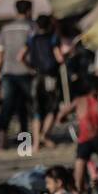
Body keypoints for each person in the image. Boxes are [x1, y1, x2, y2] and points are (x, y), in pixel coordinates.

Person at [0, 0, 35, 150]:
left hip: (8, 73)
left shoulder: (5, 29)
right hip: (26, 73)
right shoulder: (31, 28)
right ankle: (25, 145)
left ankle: (1, 143)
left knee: (7, 108)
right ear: (29, 10)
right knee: (26, 110)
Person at [65, 75, 98, 194]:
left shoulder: (78, 101)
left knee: (79, 177)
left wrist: (63, 117)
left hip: (84, 141)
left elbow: (61, 115)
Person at [25, 15, 63, 151]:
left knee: (37, 111)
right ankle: (44, 135)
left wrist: (30, 68)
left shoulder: (32, 39)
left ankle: (35, 144)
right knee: (52, 108)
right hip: (50, 77)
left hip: (36, 77)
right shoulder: (53, 39)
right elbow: (59, 57)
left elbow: (20, 56)